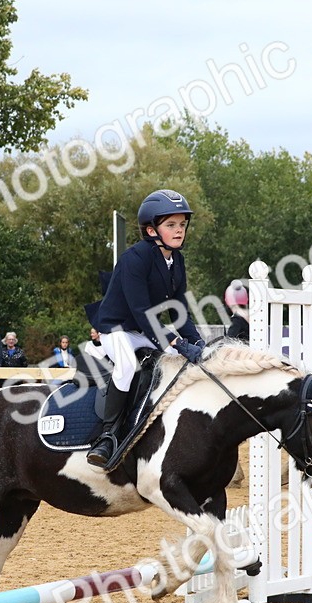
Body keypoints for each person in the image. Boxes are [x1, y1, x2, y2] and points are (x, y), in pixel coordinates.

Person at [87, 188, 205, 469]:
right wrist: (175, 343)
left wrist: (198, 342)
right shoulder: (134, 259)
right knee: (127, 366)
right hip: (115, 328)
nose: (179, 231)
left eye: (182, 224)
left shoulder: (176, 261)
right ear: (151, 230)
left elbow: (178, 311)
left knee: (175, 366)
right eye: (171, 225)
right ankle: (107, 436)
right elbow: (141, 313)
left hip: (141, 331)